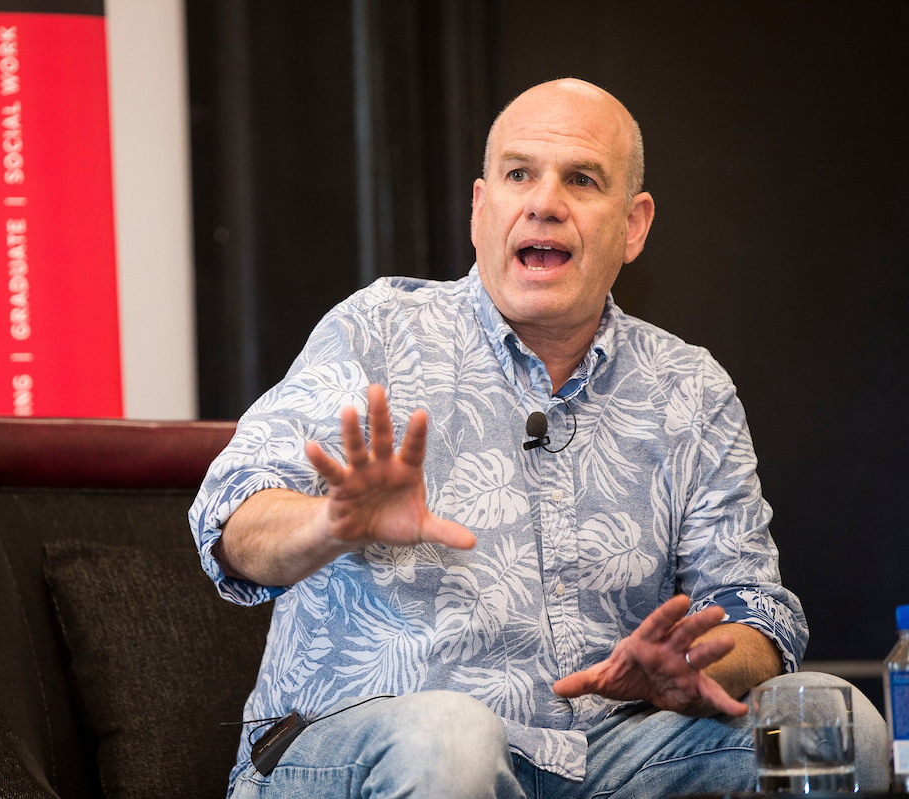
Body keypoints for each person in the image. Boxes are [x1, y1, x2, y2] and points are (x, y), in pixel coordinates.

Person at [189, 78, 885, 798]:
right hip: (359, 746)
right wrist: (330, 523)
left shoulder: (688, 387)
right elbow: (229, 519)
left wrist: (693, 664)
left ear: (634, 225)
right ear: (480, 208)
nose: (545, 202)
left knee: (836, 726)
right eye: (519, 174)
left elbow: (754, 611)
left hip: (599, 753)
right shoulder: (379, 331)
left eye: (582, 180)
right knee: (455, 739)